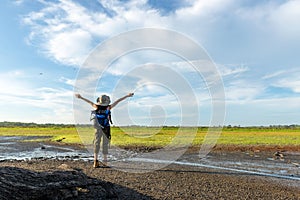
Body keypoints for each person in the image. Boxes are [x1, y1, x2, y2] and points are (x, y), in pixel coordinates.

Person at [75, 92, 134, 168]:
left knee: (97, 143)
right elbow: (118, 101)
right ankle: (105, 162)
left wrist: (81, 97)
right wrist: (127, 95)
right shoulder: (108, 107)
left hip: (97, 128)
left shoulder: (96, 106)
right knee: (105, 144)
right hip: (106, 127)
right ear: (107, 101)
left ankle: (95, 162)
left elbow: (89, 102)